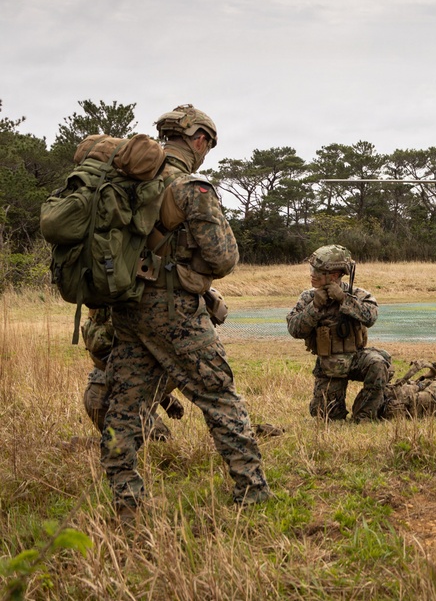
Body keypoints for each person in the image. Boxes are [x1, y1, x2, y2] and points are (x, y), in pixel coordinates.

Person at [101, 105, 271, 519]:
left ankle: (127, 500)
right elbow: (224, 258)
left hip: (125, 308)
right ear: (198, 140)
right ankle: (252, 492)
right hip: (172, 309)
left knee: (123, 406)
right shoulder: (190, 187)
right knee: (218, 395)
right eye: (207, 145)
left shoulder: (124, 182)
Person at [286, 244, 390, 422]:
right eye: (312, 269)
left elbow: (370, 317)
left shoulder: (358, 294)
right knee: (327, 416)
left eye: (317, 271)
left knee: (378, 364)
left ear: (333, 275)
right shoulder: (308, 298)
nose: (312, 274)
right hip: (329, 365)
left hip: (356, 358)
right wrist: (314, 307)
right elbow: (294, 329)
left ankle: (364, 416)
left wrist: (344, 299)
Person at [81, 307, 182, 442]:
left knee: (158, 437)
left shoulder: (147, 325)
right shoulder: (179, 343)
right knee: (154, 443)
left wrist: (166, 399)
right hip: (107, 400)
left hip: (100, 393)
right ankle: (81, 445)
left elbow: (143, 374)